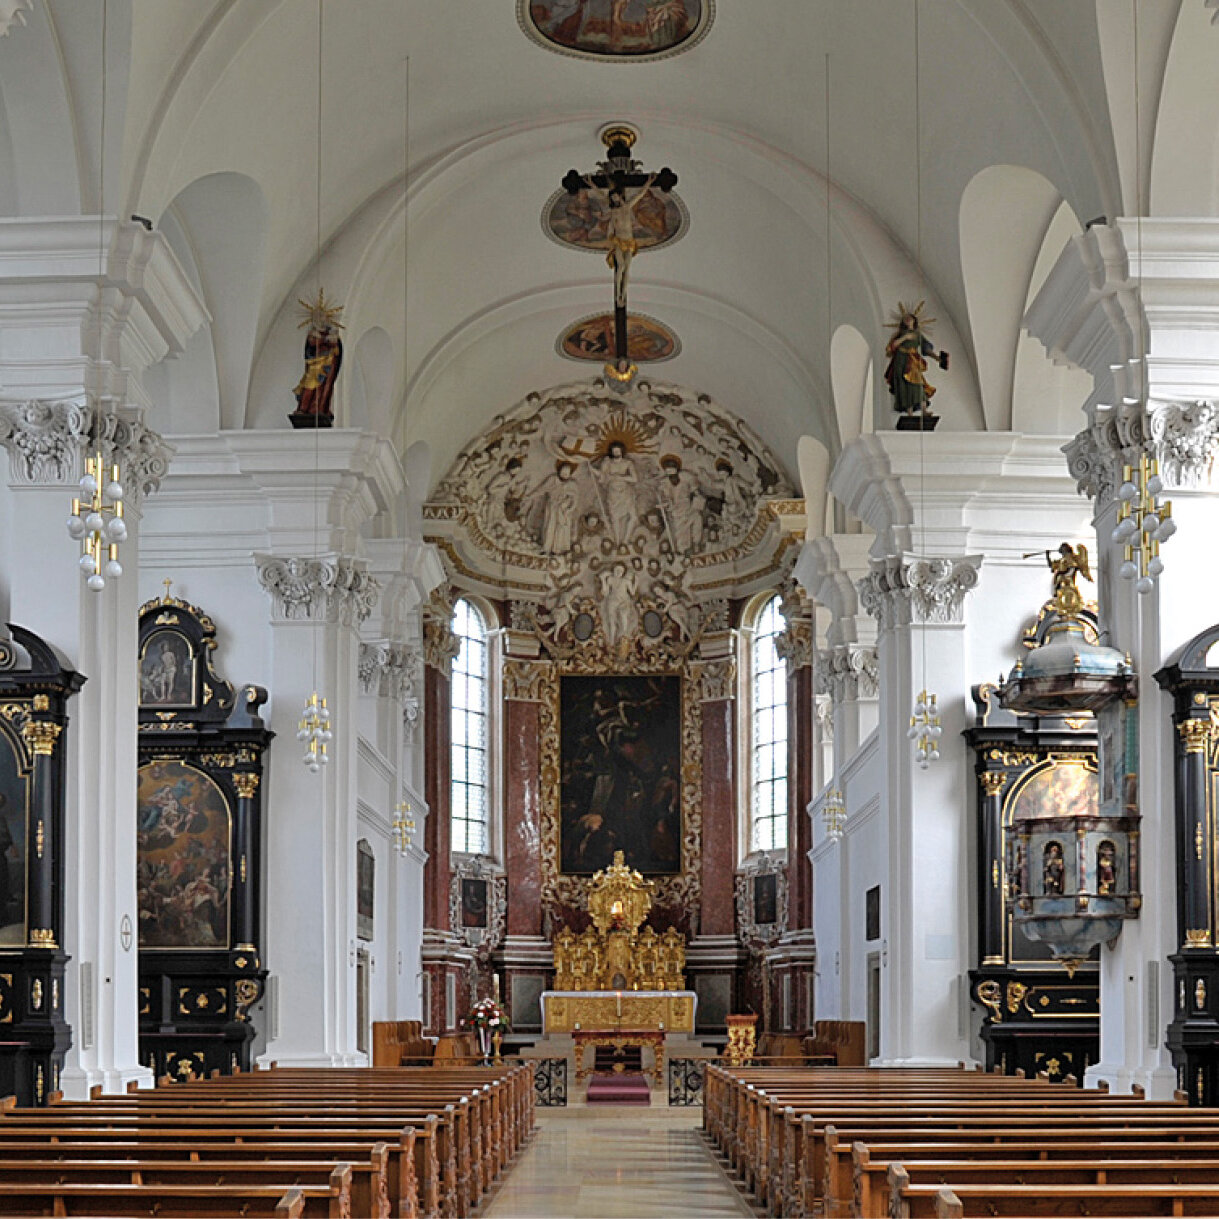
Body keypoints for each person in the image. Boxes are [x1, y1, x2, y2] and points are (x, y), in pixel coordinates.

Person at [884, 307, 948, 418]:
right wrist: (904, 337)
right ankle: (909, 413)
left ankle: (924, 411)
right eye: (905, 318)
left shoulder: (918, 335)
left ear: (914, 320)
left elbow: (926, 349)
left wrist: (936, 357)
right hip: (900, 360)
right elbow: (891, 347)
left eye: (910, 318)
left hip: (912, 360)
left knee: (918, 383)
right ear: (903, 322)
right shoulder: (899, 334)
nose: (908, 319)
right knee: (904, 386)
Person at [596, 440, 639, 545]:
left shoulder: (628, 463)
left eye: (617, 450)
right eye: (614, 451)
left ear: (621, 451)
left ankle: (626, 540)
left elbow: (635, 479)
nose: (616, 452)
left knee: (633, 517)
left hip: (626, 492)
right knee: (614, 518)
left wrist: (621, 477)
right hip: (613, 492)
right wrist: (594, 471)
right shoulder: (607, 462)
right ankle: (617, 542)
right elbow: (602, 477)